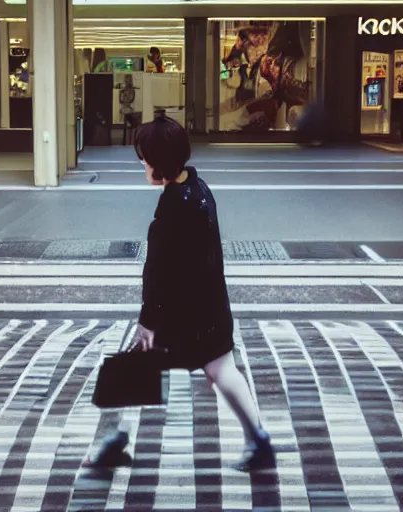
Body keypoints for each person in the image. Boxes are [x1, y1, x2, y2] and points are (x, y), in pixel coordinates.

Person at [88, 113, 273, 472]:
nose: (142, 163)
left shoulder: (174, 204)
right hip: (210, 309)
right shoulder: (199, 189)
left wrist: (149, 320)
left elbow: (158, 270)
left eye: (145, 157)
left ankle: (117, 438)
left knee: (140, 365)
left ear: (159, 161)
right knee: (220, 369)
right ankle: (258, 439)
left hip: (181, 314)